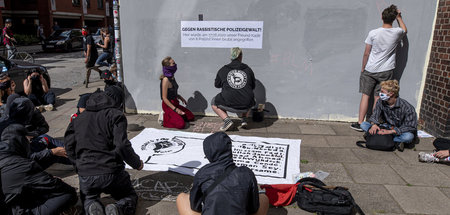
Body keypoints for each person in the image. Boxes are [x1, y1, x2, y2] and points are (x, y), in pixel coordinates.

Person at [64, 86, 144, 215]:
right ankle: (119, 208)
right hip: (111, 172)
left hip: (86, 174)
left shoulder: (78, 119)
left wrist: (79, 165)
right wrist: (136, 163)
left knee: (88, 198)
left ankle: (91, 205)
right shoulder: (115, 115)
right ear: (117, 101)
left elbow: (68, 145)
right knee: (129, 196)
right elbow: (122, 145)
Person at [0, 96, 77, 214]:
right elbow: (27, 163)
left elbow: (44, 127)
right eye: (27, 140)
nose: (30, 140)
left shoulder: (10, 131)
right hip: (17, 180)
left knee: (47, 141)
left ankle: (79, 161)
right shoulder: (21, 163)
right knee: (68, 194)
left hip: (15, 174)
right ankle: (82, 162)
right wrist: (52, 153)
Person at [176, 132, 269, 215]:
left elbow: (195, 206)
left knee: (181, 198)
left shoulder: (202, 173)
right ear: (229, 150)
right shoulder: (246, 173)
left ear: (208, 153)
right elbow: (253, 208)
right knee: (264, 198)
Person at [351, 4, 407, 131]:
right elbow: (404, 29)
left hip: (370, 69)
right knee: (378, 97)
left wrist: (363, 67)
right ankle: (373, 122)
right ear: (393, 19)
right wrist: (399, 18)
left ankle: (360, 123)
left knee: (365, 95)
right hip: (386, 70)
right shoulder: (396, 32)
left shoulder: (373, 33)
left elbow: (366, 52)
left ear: (382, 17)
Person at [359, 80, 417, 151]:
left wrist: (391, 132)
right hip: (385, 127)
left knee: (408, 137)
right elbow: (375, 115)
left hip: (398, 131)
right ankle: (393, 141)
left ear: (391, 93)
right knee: (363, 125)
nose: (380, 94)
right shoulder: (381, 101)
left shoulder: (407, 107)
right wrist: (374, 125)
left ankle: (378, 137)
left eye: (382, 92)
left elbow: (411, 127)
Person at [212, 47, 256, 131]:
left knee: (214, 102)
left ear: (231, 56)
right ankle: (244, 120)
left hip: (229, 103)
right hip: (246, 106)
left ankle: (227, 121)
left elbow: (217, 85)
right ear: (241, 56)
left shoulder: (223, 69)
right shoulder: (248, 69)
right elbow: (253, 87)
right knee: (251, 97)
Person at [159, 56, 194, 129]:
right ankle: (164, 117)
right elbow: (164, 98)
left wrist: (180, 97)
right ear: (168, 66)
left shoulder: (172, 77)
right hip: (168, 105)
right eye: (173, 63)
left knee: (190, 116)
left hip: (175, 102)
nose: (175, 65)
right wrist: (176, 110)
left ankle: (174, 116)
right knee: (181, 125)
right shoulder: (165, 80)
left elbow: (172, 91)